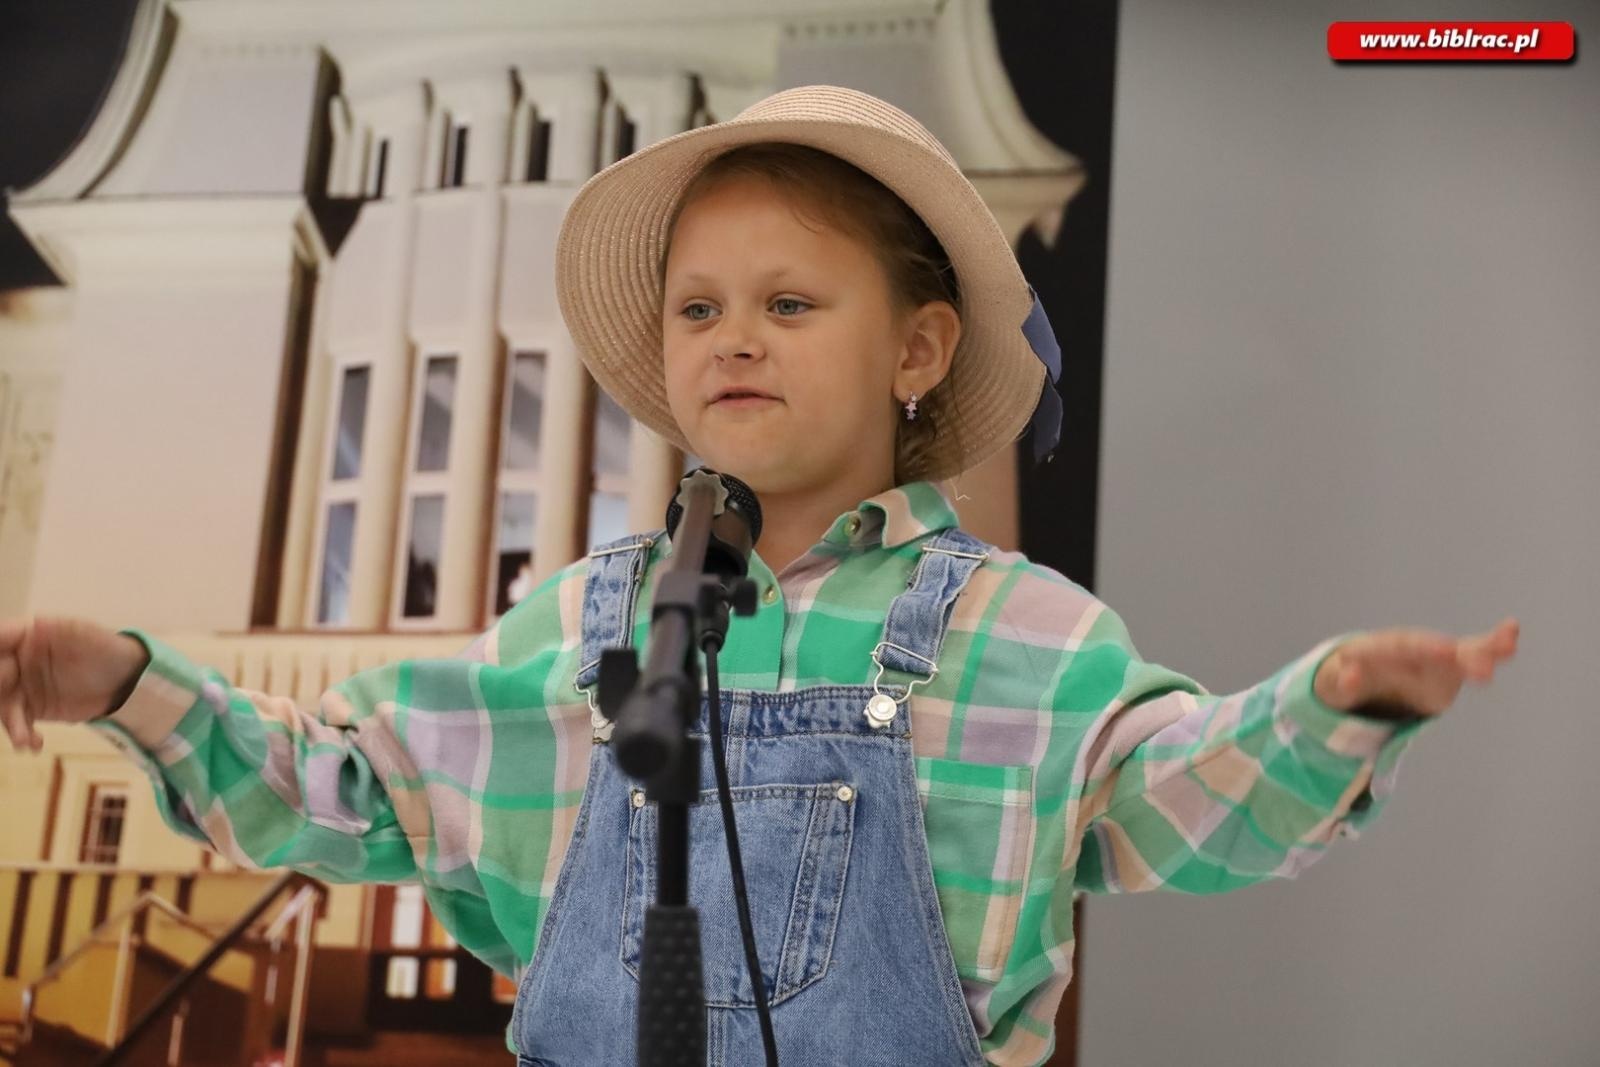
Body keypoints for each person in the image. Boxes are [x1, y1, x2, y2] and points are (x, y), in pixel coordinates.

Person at [0, 86, 1518, 1066]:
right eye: (701, 307)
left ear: (917, 352)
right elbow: (337, 793)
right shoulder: (583, 627)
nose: (734, 337)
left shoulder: (1023, 636)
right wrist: (129, 684)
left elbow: (1184, 806)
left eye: (791, 302)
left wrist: (1329, 708)